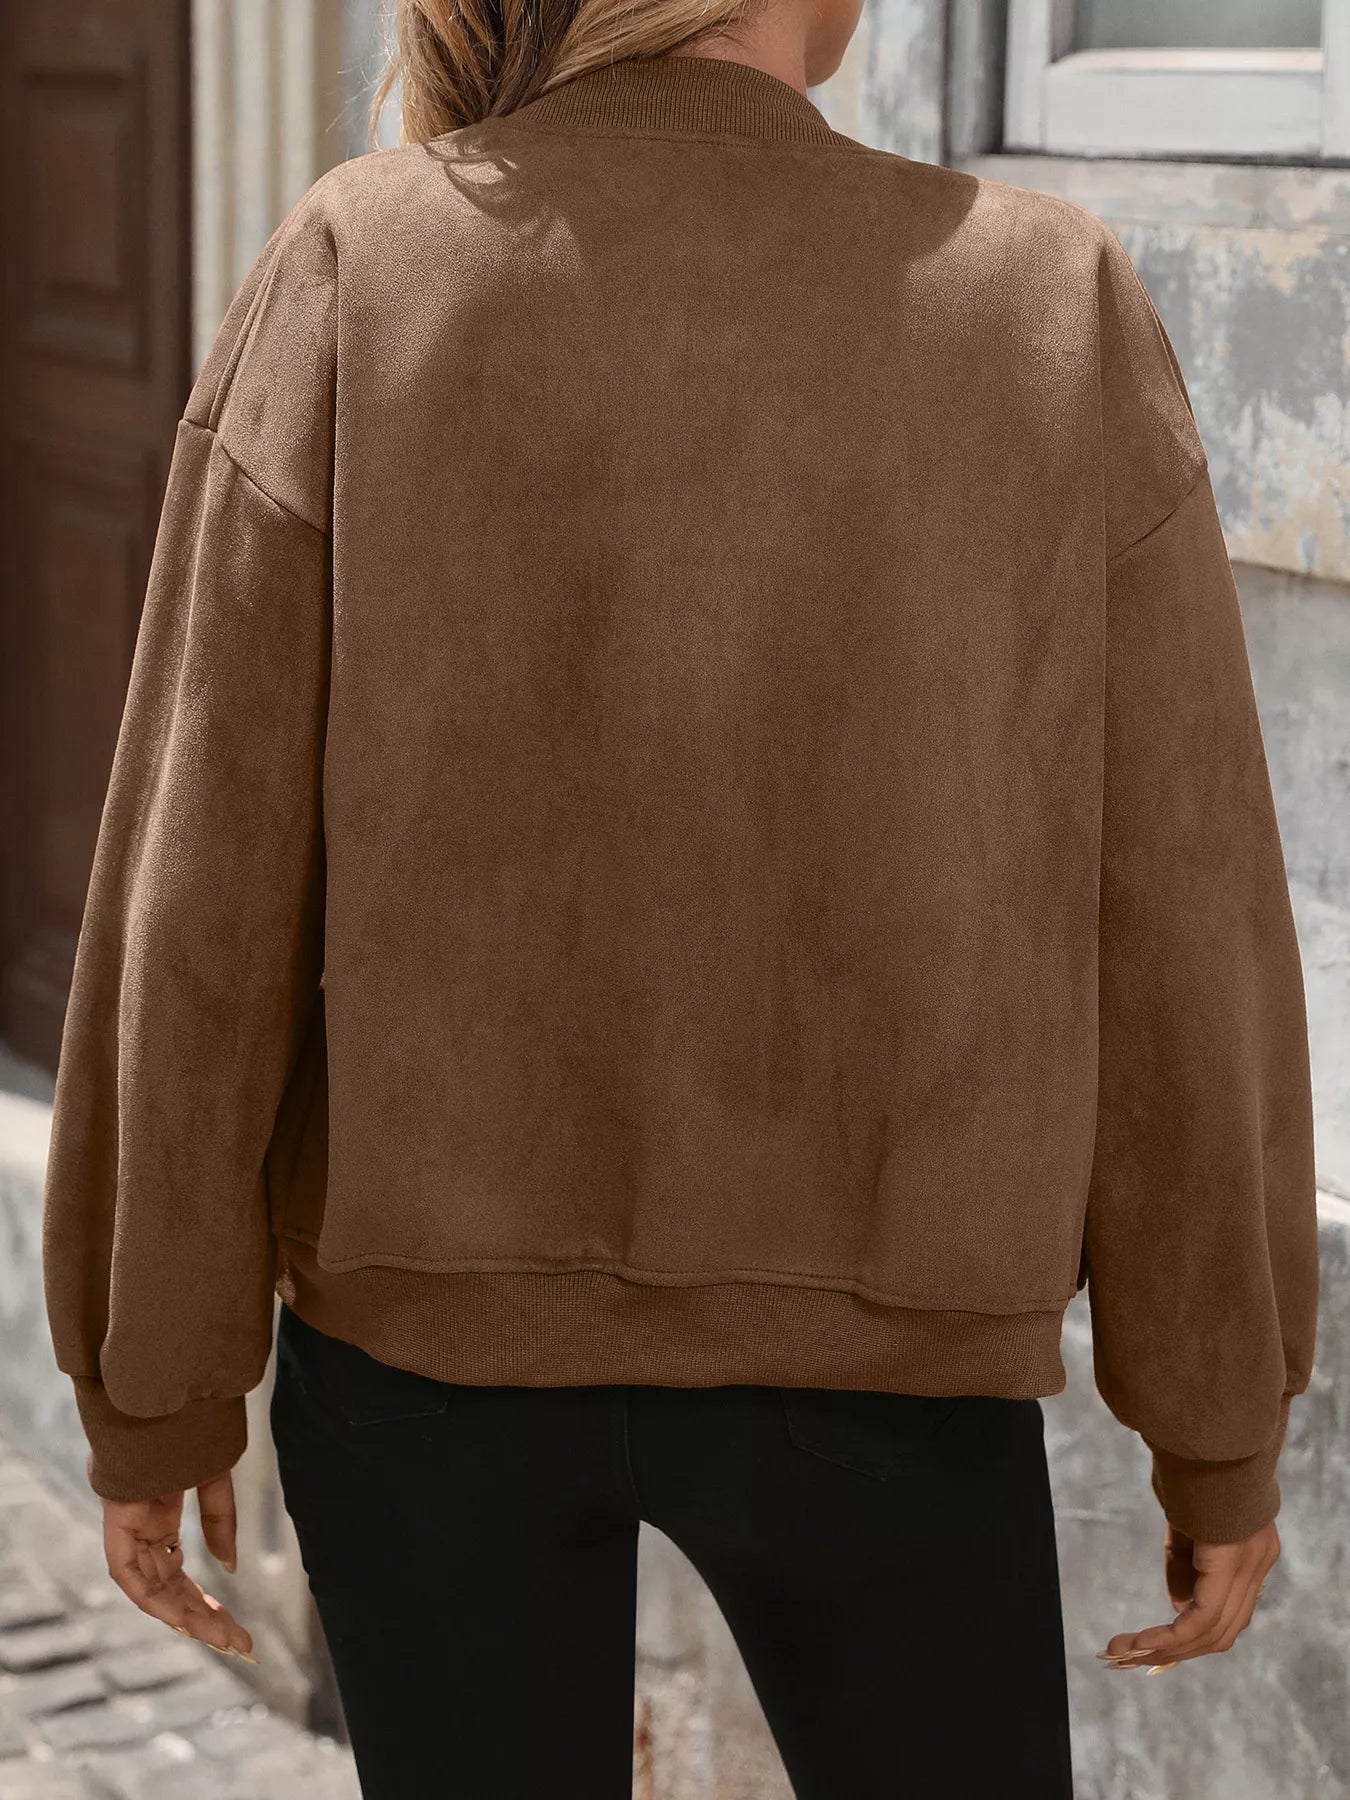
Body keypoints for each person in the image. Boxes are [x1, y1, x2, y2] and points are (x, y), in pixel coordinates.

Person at [39, 0, 1319, 1789]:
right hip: (887, 1376)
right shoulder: (1038, 300)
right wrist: (1215, 1411)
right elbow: (1180, 913)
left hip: (425, 1377)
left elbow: (200, 889)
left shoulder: (360, 262)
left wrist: (157, 1377)